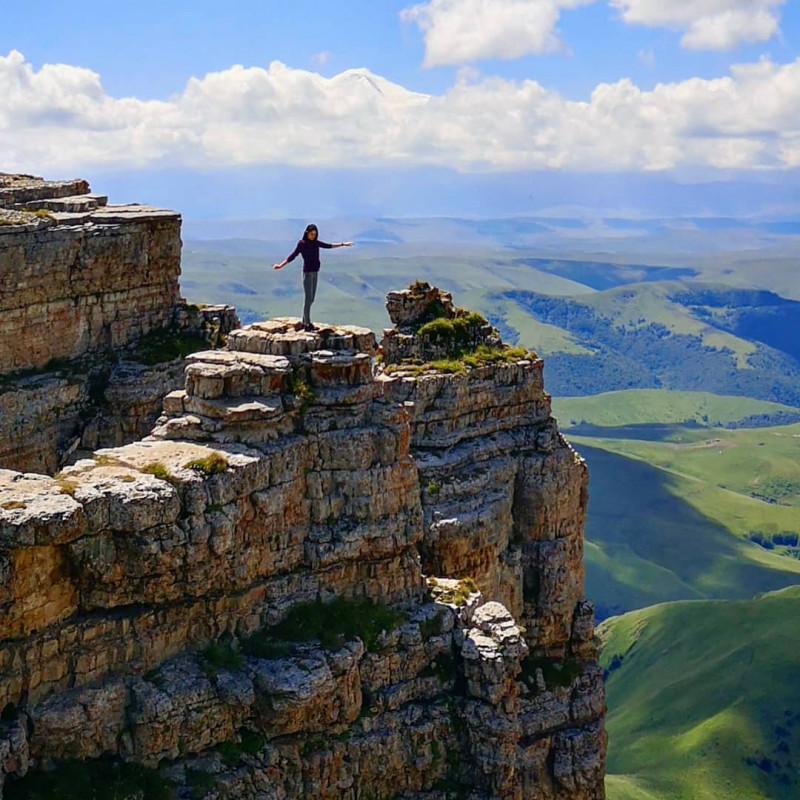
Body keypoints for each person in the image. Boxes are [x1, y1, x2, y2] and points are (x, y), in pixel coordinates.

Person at [273, 224, 353, 330]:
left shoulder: (315, 243)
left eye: (315, 234)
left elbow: (328, 246)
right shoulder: (302, 244)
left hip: (315, 272)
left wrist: (343, 244)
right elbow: (293, 255)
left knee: (311, 298)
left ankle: (304, 320)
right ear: (307, 233)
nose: (313, 236)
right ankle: (307, 324)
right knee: (307, 298)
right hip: (307, 273)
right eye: (311, 234)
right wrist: (280, 265)